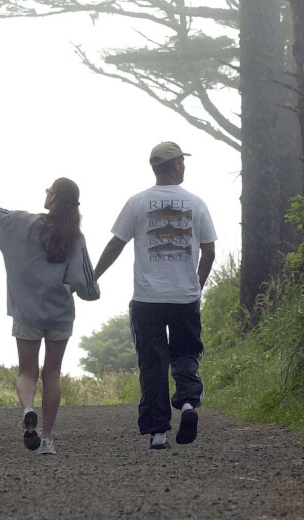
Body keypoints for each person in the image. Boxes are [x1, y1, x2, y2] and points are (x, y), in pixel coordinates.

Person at [0, 177, 100, 455]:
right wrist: (88, 293)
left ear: (54, 197)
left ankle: (28, 410)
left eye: (49, 191)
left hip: (26, 313)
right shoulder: (75, 236)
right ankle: (46, 439)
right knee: (53, 373)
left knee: (27, 372)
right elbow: (86, 282)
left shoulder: (21, 224)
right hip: (60, 313)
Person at [94, 141, 216, 450]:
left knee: (152, 362)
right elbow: (209, 251)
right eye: (182, 163)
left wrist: (91, 277)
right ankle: (188, 405)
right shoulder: (196, 203)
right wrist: (196, 287)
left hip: (147, 299)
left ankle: (158, 432)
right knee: (186, 354)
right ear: (176, 165)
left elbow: (115, 245)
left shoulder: (137, 203)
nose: (184, 167)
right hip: (184, 298)